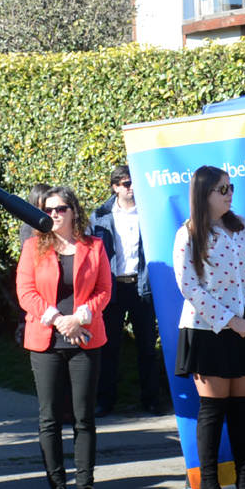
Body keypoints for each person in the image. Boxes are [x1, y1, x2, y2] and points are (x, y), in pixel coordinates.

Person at [177, 165, 245, 489]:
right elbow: (189, 286)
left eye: (230, 187)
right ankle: (210, 485)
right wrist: (228, 320)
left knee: (240, 408)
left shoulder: (243, 226)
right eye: (222, 189)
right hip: (208, 331)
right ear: (204, 194)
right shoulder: (188, 234)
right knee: (212, 410)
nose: (228, 193)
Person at [17, 186, 112, 489]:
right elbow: (25, 292)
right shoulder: (32, 247)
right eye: (48, 210)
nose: (54, 215)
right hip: (46, 340)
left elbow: (104, 290)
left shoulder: (95, 246)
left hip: (85, 337)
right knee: (49, 419)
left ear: (74, 211)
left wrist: (79, 318)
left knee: (84, 418)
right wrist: (59, 320)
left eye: (60, 209)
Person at [92, 166, 167, 417]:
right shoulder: (100, 216)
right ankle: (106, 400)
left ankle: (151, 399)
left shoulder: (148, 213)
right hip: (112, 287)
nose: (131, 187)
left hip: (141, 284)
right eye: (125, 183)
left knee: (147, 347)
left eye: (134, 182)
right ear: (115, 187)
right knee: (109, 347)